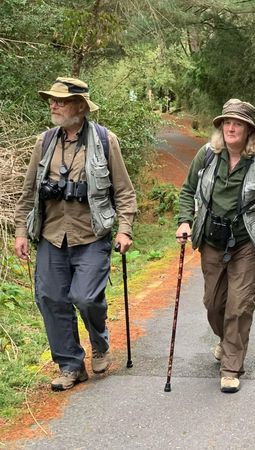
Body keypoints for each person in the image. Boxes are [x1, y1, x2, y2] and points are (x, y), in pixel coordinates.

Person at [14, 77, 137, 391]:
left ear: (80, 107)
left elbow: (124, 191)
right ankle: (70, 366)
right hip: (52, 235)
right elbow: (29, 192)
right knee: (50, 298)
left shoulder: (106, 140)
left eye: (61, 100)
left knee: (85, 298)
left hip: (91, 235)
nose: (54, 105)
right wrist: (21, 232)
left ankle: (99, 341)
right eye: (52, 100)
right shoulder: (45, 141)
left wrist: (124, 230)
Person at [176, 98, 255, 393]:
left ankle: (231, 366)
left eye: (237, 123)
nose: (230, 127)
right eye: (227, 122)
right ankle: (226, 340)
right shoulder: (208, 155)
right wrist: (184, 221)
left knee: (239, 306)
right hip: (213, 239)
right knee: (213, 304)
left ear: (249, 131)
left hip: (248, 243)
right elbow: (188, 190)